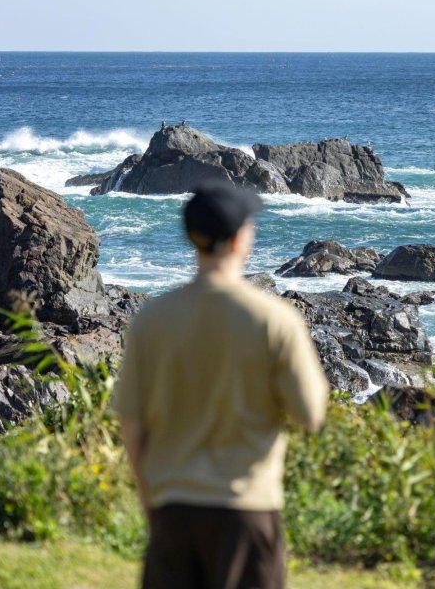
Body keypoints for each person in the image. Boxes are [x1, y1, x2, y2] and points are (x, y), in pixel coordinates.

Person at [114, 182, 329, 589]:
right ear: (239, 239)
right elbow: (310, 415)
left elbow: (132, 425)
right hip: (246, 511)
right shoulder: (274, 319)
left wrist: (153, 503)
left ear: (190, 237)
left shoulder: (152, 319)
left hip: (172, 512)